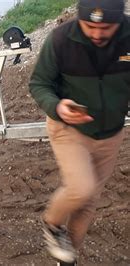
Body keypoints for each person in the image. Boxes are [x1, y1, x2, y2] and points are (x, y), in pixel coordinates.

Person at [29, 0, 129, 264]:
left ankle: (67, 258)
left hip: (110, 134)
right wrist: (57, 106)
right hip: (68, 128)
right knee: (81, 188)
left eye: (106, 28)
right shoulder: (61, 39)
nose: (97, 34)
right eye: (89, 26)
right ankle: (51, 224)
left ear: (120, 20)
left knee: (88, 203)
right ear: (79, 18)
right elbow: (39, 83)